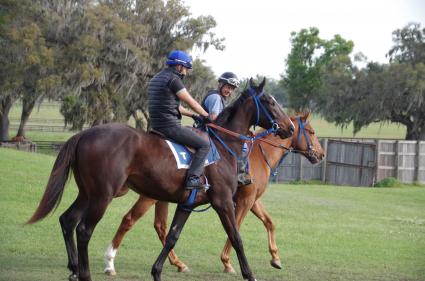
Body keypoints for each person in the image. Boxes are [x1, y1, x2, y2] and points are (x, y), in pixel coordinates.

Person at [148, 50, 211, 190]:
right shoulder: (174, 80)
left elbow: (175, 105)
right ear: (179, 66)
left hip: (156, 125)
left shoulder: (156, 78)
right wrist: (207, 116)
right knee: (204, 145)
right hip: (170, 126)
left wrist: (194, 116)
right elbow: (191, 102)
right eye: (186, 68)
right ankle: (193, 179)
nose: (186, 72)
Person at [201, 72, 253, 186]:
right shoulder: (215, 97)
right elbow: (215, 119)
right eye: (228, 87)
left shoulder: (220, 98)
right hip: (208, 132)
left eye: (231, 89)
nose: (229, 91)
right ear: (221, 84)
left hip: (212, 132)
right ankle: (240, 175)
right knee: (243, 147)